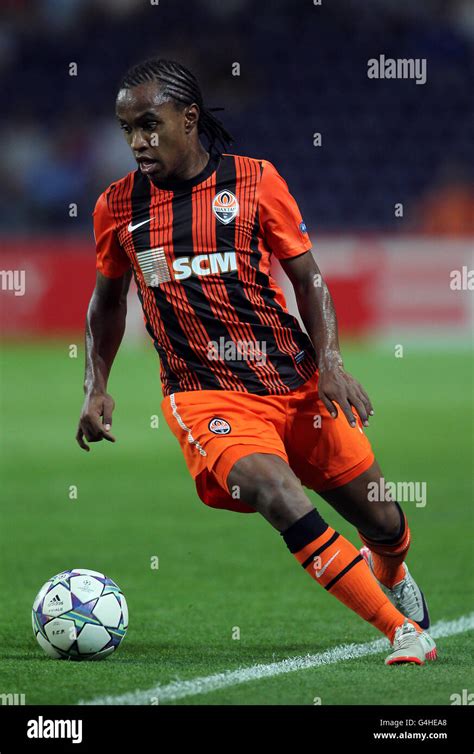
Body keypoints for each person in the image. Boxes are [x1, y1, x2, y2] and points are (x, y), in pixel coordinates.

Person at [77, 58, 434, 665]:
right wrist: (96, 385)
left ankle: (391, 568)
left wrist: (331, 363)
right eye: (127, 130)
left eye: (149, 125)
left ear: (189, 119)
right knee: (278, 493)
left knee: (383, 518)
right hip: (204, 394)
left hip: (292, 381)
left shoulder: (254, 182)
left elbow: (308, 277)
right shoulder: (118, 207)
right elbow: (107, 301)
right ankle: (400, 630)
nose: (137, 141)